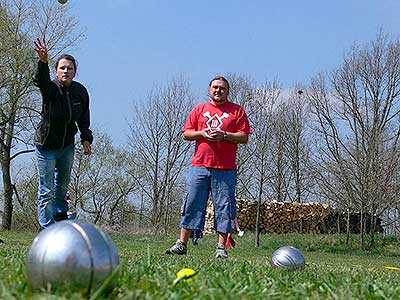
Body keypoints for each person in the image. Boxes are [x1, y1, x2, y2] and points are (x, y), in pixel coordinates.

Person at [166, 75, 251, 258]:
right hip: (200, 166)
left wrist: (225, 135)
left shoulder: (236, 111)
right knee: (192, 203)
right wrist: (202, 133)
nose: (218, 90)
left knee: (224, 207)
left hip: (225, 168)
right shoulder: (199, 109)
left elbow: (244, 137)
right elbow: (186, 134)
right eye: (215, 87)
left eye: (222, 88)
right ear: (209, 89)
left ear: (227, 91)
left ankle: (221, 248)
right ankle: (182, 243)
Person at [33, 38, 93, 229]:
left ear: (75, 71)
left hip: (67, 146)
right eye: (62, 68)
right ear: (56, 71)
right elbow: (40, 80)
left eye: (69, 68)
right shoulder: (50, 89)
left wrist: (86, 139)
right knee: (47, 190)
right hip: (46, 146)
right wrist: (42, 62)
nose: (66, 71)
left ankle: (60, 225)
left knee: (62, 189)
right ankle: (47, 228)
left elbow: (84, 117)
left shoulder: (80, 92)